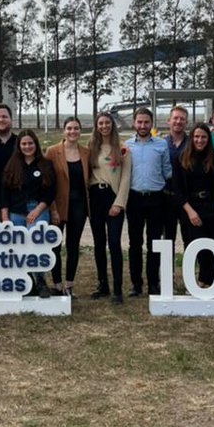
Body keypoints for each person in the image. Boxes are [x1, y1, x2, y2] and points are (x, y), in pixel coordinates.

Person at [1, 129, 56, 298]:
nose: (27, 146)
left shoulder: (46, 164)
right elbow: (4, 193)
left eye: (30, 143)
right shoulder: (12, 164)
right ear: (19, 146)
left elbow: (51, 191)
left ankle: (40, 281)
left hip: (38, 208)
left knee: (36, 243)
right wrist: (5, 218)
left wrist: (38, 210)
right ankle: (26, 281)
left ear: (36, 144)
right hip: (16, 211)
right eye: (24, 144)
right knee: (19, 247)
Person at [126, 106, 172, 296]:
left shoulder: (161, 145)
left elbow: (167, 170)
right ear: (134, 123)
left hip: (156, 199)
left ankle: (154, 283)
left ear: (152, 123)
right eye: (139, 122)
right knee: (134, 244)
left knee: (154, 243)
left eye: (146, 122)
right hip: (134, 199)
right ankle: (136, 284)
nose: (143, 125)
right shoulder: (126, 145)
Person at [87, 112, 131, 304]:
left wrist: (119, 203)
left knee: (114, 243)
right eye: (100, 123)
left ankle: (117, 289)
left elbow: (126, 178)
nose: (104, 126)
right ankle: (102, 284)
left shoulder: (122, 150)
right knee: (98, 243)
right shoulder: (90, 149)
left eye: (107, 123)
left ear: (112, 125)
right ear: (96, 126)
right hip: (95, 198)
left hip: (113, 198)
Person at [45, 117, 91, 297]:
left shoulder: (86, 152)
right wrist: (52, 209)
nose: (73, 132)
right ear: (64, 131)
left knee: (73, 246)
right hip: (58, 207)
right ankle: (57, 285)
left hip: (79, 206)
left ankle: (69, 285)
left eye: (76, 128)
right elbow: (47, 183)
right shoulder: (52, 151)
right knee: (55, 246)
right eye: (69, 128)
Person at [172, 123, 214, 288]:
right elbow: (177, 189)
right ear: (191, 138)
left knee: (212, 245)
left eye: (203, 137)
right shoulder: (180, 159)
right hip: (189, 208)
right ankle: (193, 282)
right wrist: (190, 211)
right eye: (196, 137)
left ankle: (209, 281)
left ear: (209, 139)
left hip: (211, 208)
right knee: (194, 246)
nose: (200, 140)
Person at [162, 105, 189, 246]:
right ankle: (168, 268)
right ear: (169, 120)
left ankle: (189, 267)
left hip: (187, 198)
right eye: (175, 118)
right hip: (167, 197)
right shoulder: (160, 143)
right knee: (168, 238)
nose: (178, 121)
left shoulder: (192, 143)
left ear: (187, 122)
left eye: (182, 119)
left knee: (189, 237)